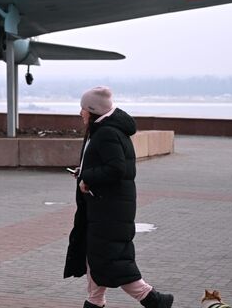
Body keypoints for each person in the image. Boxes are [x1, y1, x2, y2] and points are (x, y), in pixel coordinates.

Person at [64, 86, 173, 308]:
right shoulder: (105, 129)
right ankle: (95, 301)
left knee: (111, 260)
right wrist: (83, 171)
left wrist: (87, 177)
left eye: (83, 108)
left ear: (93, 110)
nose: (80, 113)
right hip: (106, 207)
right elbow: (108, 166)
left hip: (109, 210)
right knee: (97, 257)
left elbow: (116, 169)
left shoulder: (106, 133)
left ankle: (153, 299)